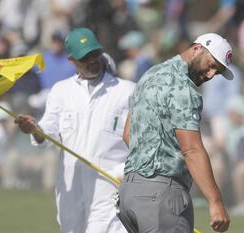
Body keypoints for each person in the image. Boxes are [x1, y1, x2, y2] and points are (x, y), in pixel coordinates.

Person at [14, 28, 136, 233]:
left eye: (95, 54)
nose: (92, 60)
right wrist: (34, 129)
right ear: (71, 60)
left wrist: (123, 172)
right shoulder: (61, 91)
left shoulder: (128, 91)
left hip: (110, 185)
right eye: (84, 57)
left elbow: (142, 141)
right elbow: (48, 134)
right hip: (71, 185)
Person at [118, 33, 232, 233]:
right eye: (212, 65)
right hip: (162, 197)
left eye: (218, 71)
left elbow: (128, 134)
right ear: (196, 48)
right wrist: (216, 202)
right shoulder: (184, 88)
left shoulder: (149, 75)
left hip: (130, 194)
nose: (211, 75)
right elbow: (192, 150)